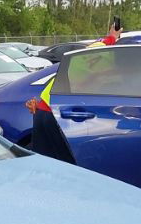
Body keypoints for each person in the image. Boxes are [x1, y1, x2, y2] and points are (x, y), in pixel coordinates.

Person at [23, 22, 122, 163]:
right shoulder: (109, 68)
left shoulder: (90, 52)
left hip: (44, 109)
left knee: (44, 163)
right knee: (66, 166)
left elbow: (99, 44)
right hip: (58, 115)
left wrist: (111, 37)